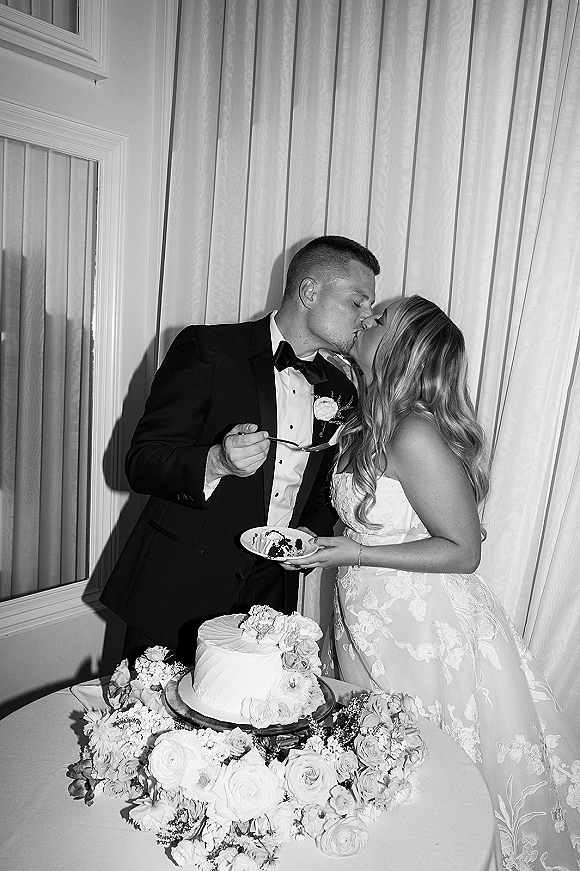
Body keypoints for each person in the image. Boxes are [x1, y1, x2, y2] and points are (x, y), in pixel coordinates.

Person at [294, 295, 580, 869]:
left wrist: (354, 551)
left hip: (425, 629)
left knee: (435, 764)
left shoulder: (413, 433)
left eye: (378, 321)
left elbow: (463, 551)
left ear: (400, 350)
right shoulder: (370, 424)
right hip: (371, 618)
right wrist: (323, 550)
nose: (364, 321)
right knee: (387, 760)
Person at [99, 235, 379, 664]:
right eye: (357, 302)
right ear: (309, 292)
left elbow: (324, 489)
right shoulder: (208, 350)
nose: (366, 317)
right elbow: (140, 462)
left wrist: (306, 539)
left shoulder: (341, 389)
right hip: (176, 590)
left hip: (270, 600)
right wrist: (216, 461)